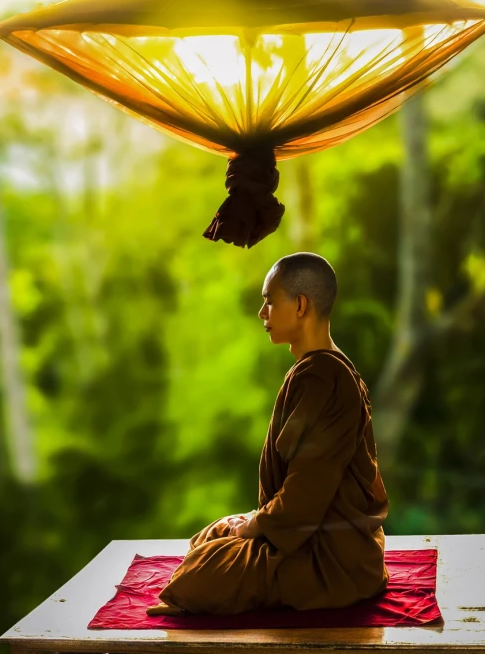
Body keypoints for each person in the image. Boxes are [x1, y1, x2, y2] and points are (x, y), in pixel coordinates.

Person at [147, 252, 389, 616]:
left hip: (333, 558)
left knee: (200, 577)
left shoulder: (327, 377)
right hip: (305, 529)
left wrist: (258, 524)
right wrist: (252, 524)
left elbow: (307, 491)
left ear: (301, 305)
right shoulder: (316, 369)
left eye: (269, 301)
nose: (262, 313)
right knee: (211, 536)